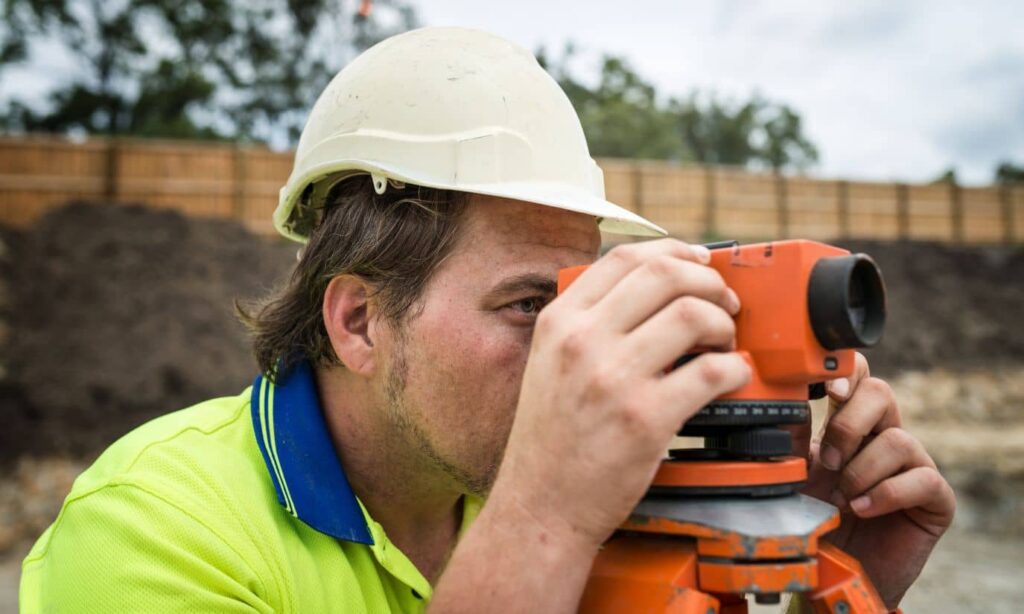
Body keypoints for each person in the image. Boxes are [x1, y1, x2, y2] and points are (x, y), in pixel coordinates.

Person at [21, 27, 954, 613]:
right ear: (358, 322)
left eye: (582, 297)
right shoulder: (153, 535)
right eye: (529, 305)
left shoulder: (587, 498)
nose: (574, 349)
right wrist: (544, 520)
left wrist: (845, 579)